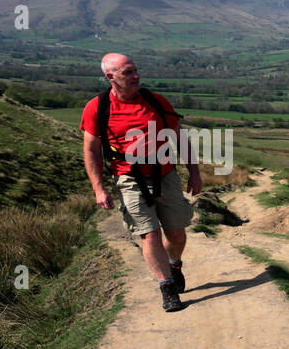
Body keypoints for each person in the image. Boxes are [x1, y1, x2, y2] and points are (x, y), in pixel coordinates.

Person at [81, 54, 202, 311]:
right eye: (128, 73)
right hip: (128, 177)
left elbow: (179, 138)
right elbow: (91, 150)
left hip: (165, 173)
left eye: (135, 71)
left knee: (177, 234)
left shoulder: (155, 101)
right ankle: (167, 288)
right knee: (149, 233)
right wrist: (98, 188)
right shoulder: (97, 107)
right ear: (110, 77)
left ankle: (175, 264)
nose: (136, 76)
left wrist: (194, 172)